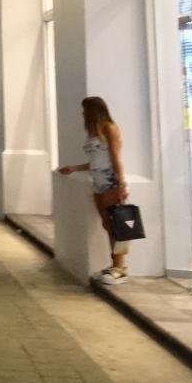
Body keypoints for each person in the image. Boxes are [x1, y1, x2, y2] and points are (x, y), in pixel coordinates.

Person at [57, 96, 130, 285]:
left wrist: (121, 183)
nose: (83, 114)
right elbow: (97, 162)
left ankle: (121, 268)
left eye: (85, 110)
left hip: (111, 182)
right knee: (108, 225)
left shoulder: (110, 129)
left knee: (118, 226)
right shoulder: (94, 133)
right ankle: (114, 264)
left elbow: (115, 158)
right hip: (98, 183)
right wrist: (75, 168)